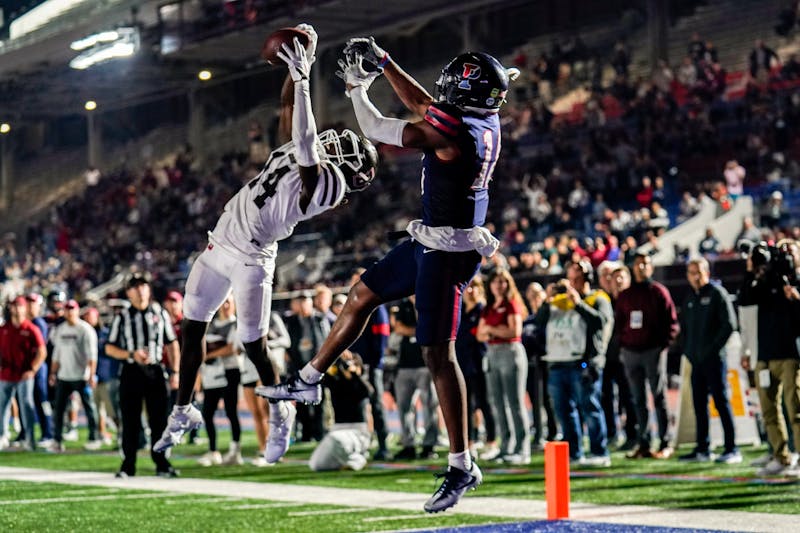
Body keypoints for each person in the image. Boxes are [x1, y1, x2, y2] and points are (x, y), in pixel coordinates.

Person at [263, 36, 518, 512]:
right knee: (362, 293)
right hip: (433, 238)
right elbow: (427, 105)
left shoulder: (454, 133)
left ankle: (463, 464)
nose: (441, 94)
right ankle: (310, 378)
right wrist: (383, 62)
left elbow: (379, 127)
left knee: (437, 356)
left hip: (448, 248)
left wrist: (359, 89)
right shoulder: (483, 118)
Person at [152, 25, 379, 465]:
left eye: (346, 147)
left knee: (253, 343)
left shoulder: (328, 186)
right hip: (222, 242)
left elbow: (309, 145)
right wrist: (298, 64)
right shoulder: (303, 151)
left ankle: (281, 412)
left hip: (253, 257)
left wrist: (304, 77)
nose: (339, 141)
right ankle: (182, 410)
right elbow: (288, 107)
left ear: (349, 170)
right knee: (192, 326)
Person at [535, 261, 613, 466]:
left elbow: (600, 322)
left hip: (583, 362)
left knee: (590, 408)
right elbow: (540, 322)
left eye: (576, 279)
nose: (572, 283)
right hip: (557, 361)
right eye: (570, 279)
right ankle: (574, 453)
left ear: (587, 277)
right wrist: (547, 300)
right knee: (564, 411)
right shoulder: (559, 301)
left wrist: (578, 304)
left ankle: (599, 452)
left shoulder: (598, 298)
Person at [105, 274, 180, 478]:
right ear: (128, 293)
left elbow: (172, 343)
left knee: (159, 420)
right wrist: (131, 354)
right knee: (130, 420)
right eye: (135, 287)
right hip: (131, 371)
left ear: (148, 289)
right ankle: (128, 465)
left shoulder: (160, 313)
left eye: (143, 286)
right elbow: (109, 348)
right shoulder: (122, 316)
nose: (140, 290)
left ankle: (162, 463)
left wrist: (175, 371)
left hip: (155, 371)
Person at [738, 242, 800, 476]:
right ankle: (780, 456)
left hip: (789, 355)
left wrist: (795, 297)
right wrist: (750, 270)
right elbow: (744, 301)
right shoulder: (761, 283)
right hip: (764, 355)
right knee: (769, 410)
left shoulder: (794, 283)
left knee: (796, 409)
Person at [615, 253, 679, 459]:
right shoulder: (626, 295)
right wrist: (623, 345)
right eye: (638, 263)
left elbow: (672, 323)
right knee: (637, 399)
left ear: (651, 267)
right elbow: (619, 323)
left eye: (646, 263)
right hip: (631, 352)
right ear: (632, 267)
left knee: (659, 396)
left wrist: (662, 345)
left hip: (653, 351)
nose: (642, 267)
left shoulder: (659, 292)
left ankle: (665, 441)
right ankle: (644, 442)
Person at [678, 258, 741, 464]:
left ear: (706, 272)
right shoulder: (689, 298)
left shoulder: (717, 294)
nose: (694, 276)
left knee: (721, 402)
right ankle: (703, 448)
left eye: (698, 271)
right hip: (695, 361)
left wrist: (712, 349)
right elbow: (684, 329)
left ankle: (732, 448)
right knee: (699, 404)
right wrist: (688, 351)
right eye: (690, 272)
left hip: (714, 360)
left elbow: (729, 324)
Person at [476, 269, 530, 464]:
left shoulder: (511, 304)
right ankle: (506, 446)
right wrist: (495, 331)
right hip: (492, 353)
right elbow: (480, 335)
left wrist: (491, 330)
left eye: (503, 282)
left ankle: (522, 449)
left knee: (515, 403)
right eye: (496, 282)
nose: (500, 286)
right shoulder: (489, 307)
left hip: (510, 352)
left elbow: (514, 331)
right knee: (498, 404)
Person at [347, 268, 391, 460]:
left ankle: (383, 445)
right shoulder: (354, 305)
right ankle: (362, 444)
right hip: (356, 364)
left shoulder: (376, 306)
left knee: (377, 405)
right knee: (358, 406)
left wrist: (374, 363)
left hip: (371, 365)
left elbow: (382, 337)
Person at [48, 299, 101, 452]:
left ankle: (94, 437)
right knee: (59, 410)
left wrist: (91, 374)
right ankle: (57, 440)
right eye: (67, 309)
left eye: (72, 309)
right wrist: (53, 373)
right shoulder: (61, 329)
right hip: (64, 375)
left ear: (77, 311)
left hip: (81, 376)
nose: (70, 312)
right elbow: (56, 355)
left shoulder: (85, 330)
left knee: (89, 408)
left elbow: (92, 355)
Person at [197, 294, 243, 466]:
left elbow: (232, 348)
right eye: (222, 302)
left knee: (231, 411)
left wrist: (208, 354)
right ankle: (213, 450)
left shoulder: (236, 324)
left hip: (230, 370)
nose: (225, 306)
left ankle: (235, 450)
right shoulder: (211, 325)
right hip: (211, 373)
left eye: (229, 302)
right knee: (207, 413)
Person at [308, 351, 373, 472]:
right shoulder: (336, 382)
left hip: (357, 432)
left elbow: (368, 392)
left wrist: (354, 373)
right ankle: (350, 459)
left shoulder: (360, 382)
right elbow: (317, 378)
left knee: (335, 439)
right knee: (316, 464)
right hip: (338, 429)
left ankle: (358, 458)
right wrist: (333, 358)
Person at [393, 295, 440, 460]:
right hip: (405, 363)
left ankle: (429, 444)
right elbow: (398, 327)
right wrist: (419, 331)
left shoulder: (428, 300)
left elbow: (431, 327)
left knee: (429, 406)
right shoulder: (404, 303)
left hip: (425, 363)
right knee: (404, 407)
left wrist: (415, 330)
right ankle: (409, 444)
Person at [0, 297, 47, 451]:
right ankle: (2, 436)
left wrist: (32, 369)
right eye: (15, 306)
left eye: (20, 306)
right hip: (6, 374)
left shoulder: (31, 328)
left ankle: (29, 438)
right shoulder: (4, 329)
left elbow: (42, 351)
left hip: (24, 375)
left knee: (27, 405)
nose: (17, 309)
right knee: (2, 406)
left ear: (25, 308)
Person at [456, 277, 496, 456]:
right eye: (468, 287)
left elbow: (480, 335)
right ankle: (469, 443)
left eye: (474, 287)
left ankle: (491, 442)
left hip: (479, 362)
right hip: (462, 362)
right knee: (465, 406)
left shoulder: (483, 310)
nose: (470, 291)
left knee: (484, 403)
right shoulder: (461, 311)